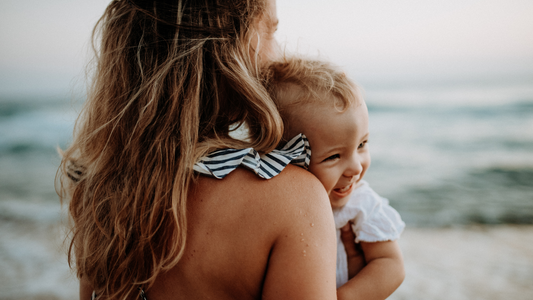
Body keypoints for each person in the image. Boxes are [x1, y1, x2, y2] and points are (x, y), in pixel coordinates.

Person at [58, 0, 362, 299]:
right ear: (228, 50)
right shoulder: (295, 199)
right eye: (271, 32)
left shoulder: (101, 191)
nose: (279, 55)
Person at [264, 57, 406, 299]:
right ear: (287, 158)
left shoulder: (360, 203)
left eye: (362, 144)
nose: (355, 168)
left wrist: (345, 297)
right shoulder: (274, 204)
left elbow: (390, 265)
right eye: (333, 157)